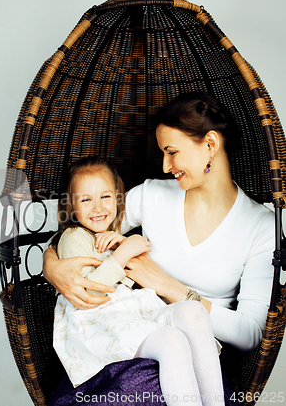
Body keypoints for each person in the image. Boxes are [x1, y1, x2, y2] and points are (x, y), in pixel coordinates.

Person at [43, 92, 275, 404]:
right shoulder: (152, 195)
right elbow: (83, 226)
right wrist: (51, 264)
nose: (165, 166)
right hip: (134, 341)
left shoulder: (261, 226)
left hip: (201, 350)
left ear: (210, 144)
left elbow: (250, 333)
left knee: (182, 344)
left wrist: (165, 285)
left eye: (171, 152)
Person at [52, 155, 224, 406]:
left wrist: (126, 245)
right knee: (171, 340)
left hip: (126, 315)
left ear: (118, 198)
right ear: (72, 207)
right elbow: (91, 293)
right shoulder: (73, 236)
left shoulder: (110, 233)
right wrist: (125, 252)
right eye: (86, 200)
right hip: (95, 325)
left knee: (193, 311)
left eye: (105, 197)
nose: (98, 207)